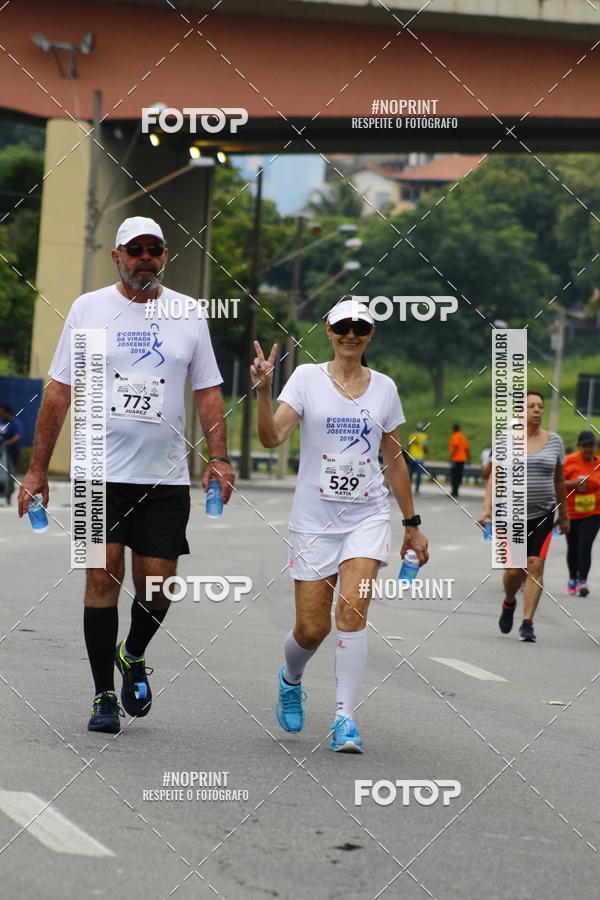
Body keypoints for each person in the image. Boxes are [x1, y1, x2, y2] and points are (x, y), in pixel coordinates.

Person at [18, 216, 235, 734]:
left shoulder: (188, 313)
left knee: (158, 589)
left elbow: (206, 390)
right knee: (102, 577)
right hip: (97, 474)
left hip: (163, 477)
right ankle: (101, 697)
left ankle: (133, 651)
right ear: (116, 256)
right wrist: (36, 470)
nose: (144, 258)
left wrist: (219, 458)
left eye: (153, 250)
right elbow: (59, 390)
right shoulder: (89, 309)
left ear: (165, 255)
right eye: (134, 250)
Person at [252, 297, 428, 753]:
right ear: (328, 329)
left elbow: (393, 460)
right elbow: (271, 438)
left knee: (351, 612)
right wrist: (263, 392)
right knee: (312, 630)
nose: (351, 334)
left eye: (361, 327)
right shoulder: (307, 378)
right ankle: (291, 678)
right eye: (343, 325)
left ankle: (344, 719)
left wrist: (412, 524)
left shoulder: (385, 388)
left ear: (371, 335)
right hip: (313, 521)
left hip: (366, 516)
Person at [478, 390, 568, 642]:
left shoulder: (555, 442)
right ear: (520, 412)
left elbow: (559, 480)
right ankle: (509, 602)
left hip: (543, 514)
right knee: (514, 572)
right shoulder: (506, 440)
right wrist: (487, 509)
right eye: (531, 406)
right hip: (511, 514)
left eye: (540, 406)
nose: (537, 410)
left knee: (536, 566)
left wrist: (564, 515)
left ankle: (527, 622)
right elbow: (495, 476)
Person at [563, 430, 600, 596]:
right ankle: (572, 577)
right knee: (573, 547)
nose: (588, 449)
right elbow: (557, 481)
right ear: (579, 446)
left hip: (593, 511)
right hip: (571, 511)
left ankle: (582, 582)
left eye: (591, 446)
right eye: (585, 446)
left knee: (585, 545)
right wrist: (573, 483)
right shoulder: (569, 461)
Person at [0, 404, 24, 504]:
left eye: (2, 411)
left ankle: (8, 496)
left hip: (11, 454)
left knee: (9, 475)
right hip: (1, 453)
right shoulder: (1, 422)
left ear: (7, 412)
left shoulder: (14, 423)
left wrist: (7, 443)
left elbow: (18, 436)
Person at [406, 422, 428, 493]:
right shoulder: (424, 436)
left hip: (411, 456)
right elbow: (424, 447)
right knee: (418, 475)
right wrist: (426, 450)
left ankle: (408, 488)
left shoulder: (412, 435)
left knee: (410, 474)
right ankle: (417, 489)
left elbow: (408, 446)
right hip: (420, 457)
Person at [448, 424, 469, 497]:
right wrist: (468, 458)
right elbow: (466, 449)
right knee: (459, 475)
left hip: (456, 459)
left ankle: (454, 491)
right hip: (462, 459)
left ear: (454, 429)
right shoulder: (463, 437)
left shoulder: (455, 436)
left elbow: (456, 446)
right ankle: (456, 491)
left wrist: (451, 457)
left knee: (454, 476)